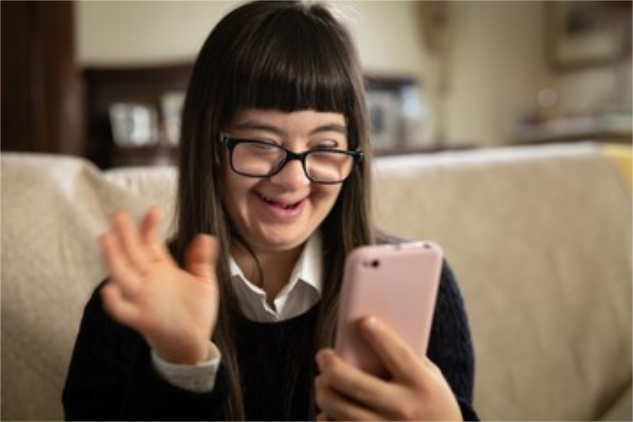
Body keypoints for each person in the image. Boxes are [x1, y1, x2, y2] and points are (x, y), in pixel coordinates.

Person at [62, 1, 479, 421]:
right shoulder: (127, 308)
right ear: (210, 148)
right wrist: (182, 363)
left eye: (326, 147)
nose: (294, 180)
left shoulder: (425, 292)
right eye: (261, 143)